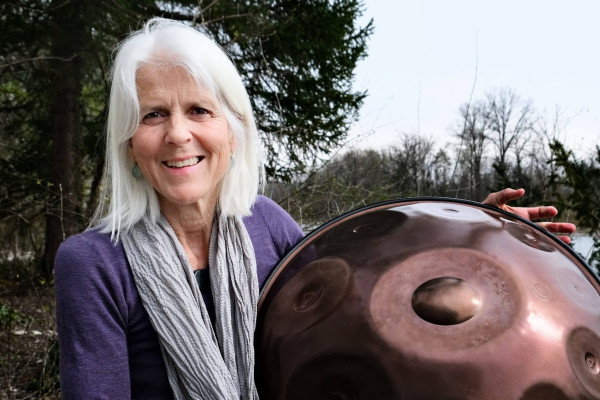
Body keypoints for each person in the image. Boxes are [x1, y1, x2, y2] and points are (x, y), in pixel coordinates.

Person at [54, 18, 576, 400]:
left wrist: (471, 237)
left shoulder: (266, 224)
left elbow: (368, 297)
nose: (178, 134)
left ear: (233, 131)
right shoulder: (93, 264)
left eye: (198, 110)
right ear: (128, 144)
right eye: (153, 115)